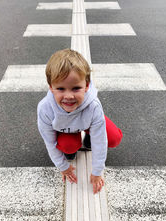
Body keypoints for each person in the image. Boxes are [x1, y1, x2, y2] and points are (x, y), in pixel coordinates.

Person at [37, 48, 123, 194]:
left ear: (87, 86)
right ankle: (71, 147)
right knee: (68, 146)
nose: (69, 96)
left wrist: (97, 171)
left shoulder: (93, 105)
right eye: (61, 89)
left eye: (76, 88)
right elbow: (49, 142)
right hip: (66, 129)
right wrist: (62, 166)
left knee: (113, 138)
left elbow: (101, 141)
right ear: (51, 88)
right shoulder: (45, 109)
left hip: (87, 122)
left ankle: (88, 138)